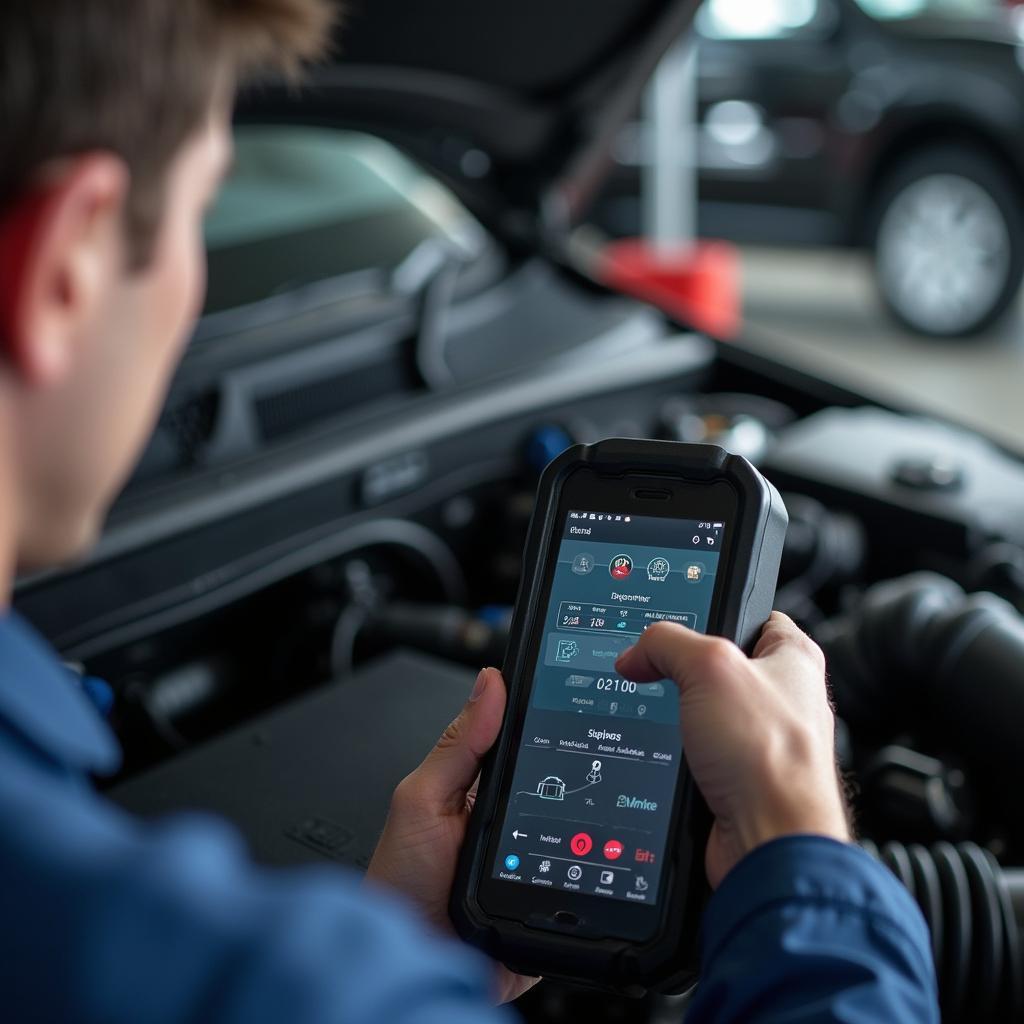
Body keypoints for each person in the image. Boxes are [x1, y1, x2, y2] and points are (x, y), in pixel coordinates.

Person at [0, 2, 939, 1021]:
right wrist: (794, 842)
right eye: (200, 212)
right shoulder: (230, 975)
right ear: (65, 266)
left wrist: (407, 958)